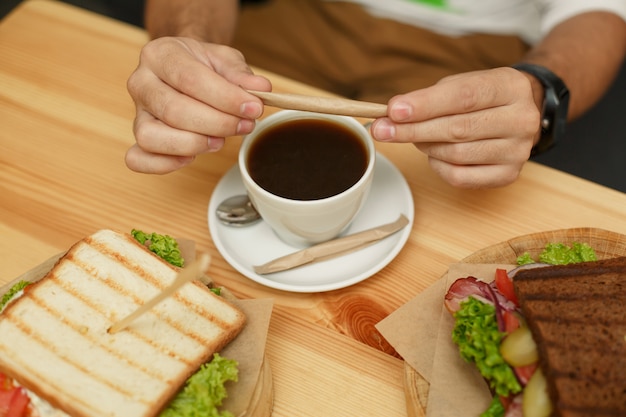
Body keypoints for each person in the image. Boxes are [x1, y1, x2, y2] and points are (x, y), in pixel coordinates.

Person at [125, 0, 626, 188]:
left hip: (470, 55)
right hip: (299, 17)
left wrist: (540, 93)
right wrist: (187, 46)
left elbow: (598, 11)